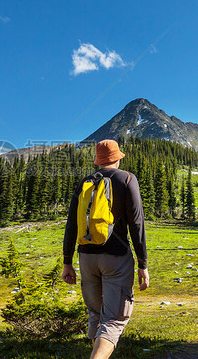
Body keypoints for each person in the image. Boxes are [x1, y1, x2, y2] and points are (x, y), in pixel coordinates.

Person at [62, 139, 149, 359]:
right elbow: (137, 224)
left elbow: (71, 224)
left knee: (97, 314)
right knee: (113, 320)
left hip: (86, 258)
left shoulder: (84, 183)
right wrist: (143, 264)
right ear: (117, 158)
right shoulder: (127, 178)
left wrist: (67, 262)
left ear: (98, 161)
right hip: (116, 258)